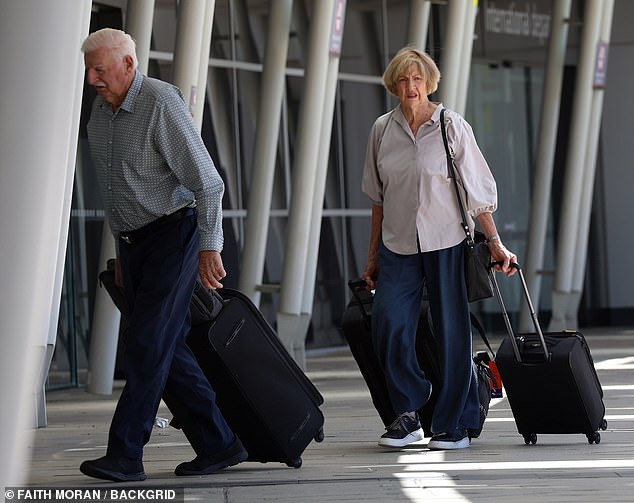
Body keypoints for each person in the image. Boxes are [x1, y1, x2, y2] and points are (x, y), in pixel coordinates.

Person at [79, 28, 247, 481]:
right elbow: (117, 193)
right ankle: (218, 442)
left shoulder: (159, 102)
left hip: (173, 237)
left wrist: (211, 246)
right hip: (134, 248)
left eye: (100, 68)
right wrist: (121, 255)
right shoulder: (101, 111)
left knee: (147, 343)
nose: (92, 76)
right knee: (165, 348)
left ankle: (126, 454)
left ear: (129, 65)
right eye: (89, 68)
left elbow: (207, 183)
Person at [361, 47, 517, 450]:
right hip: (398, 246)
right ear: (393, 84)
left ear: (428, 83)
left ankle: (454, 423)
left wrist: (495, 242)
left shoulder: (451, 126)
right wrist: (374, 254)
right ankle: (410, 413)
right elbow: (378, 199)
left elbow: (477, 192)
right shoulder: (382, 129)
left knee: (451, 332)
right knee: (388, 323)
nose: (410, 87)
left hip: (446, 242)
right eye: (402, 80)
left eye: (417, 80)